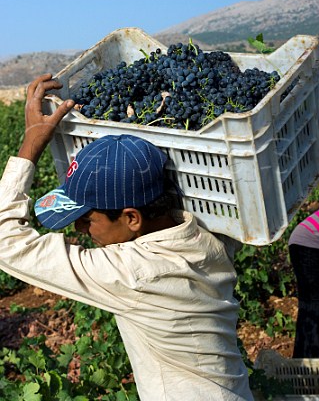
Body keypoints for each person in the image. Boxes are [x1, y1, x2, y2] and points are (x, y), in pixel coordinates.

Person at [0, 74, 253, 401]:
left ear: (132, 218)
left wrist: (31, 143)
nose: (79, 229)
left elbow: (6, 244)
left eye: (87, 219)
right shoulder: (202, 232)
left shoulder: (137, 273)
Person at [289, 209, 319, 358]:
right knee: (313, 306)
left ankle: (304, 360)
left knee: (310, 307)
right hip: (307, 246)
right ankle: (309, 363)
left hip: (306, 243)